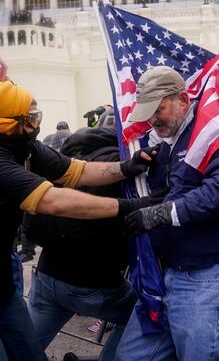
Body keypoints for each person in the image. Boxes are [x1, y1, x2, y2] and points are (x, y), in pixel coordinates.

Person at [0, 79, 160, 361]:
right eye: (30, 118)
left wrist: (124, 168)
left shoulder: (25, 148)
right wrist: (132, 205)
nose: (35, 125)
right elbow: (52, 200)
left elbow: (76, 171)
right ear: (7, 123)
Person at [115, 66, 219, 361]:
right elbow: (176, 189)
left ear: (182, 99)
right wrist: (149, 170)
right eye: (148, 111)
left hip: (209, 274)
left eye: (159, 108)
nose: (153, 119)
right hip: (171, 272)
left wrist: (162, 214)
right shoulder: (175, 139)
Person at [24, 125, 137, 361]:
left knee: (22, 346)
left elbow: (32, 226)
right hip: (95, 284)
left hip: (46, 276)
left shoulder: (61, 162)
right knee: (144, 315)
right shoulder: (116, 167)